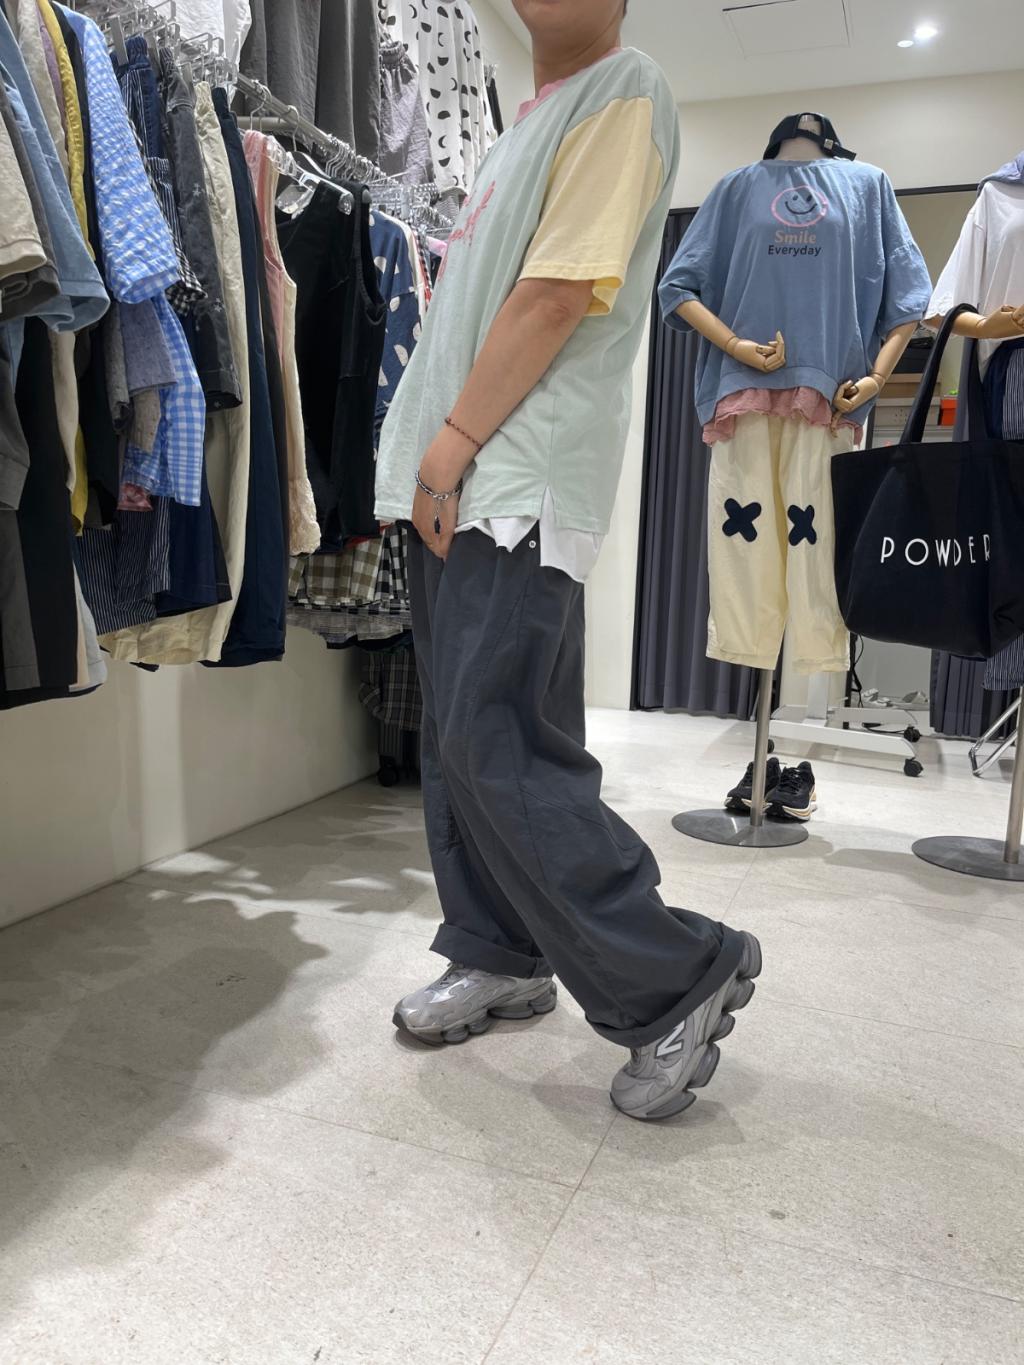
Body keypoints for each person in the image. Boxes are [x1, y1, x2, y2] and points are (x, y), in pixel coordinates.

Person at [374, 0, 761, 1123]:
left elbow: (553, 296)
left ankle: (673, 970)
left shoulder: (622, 87)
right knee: (461, 741)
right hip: (464, 475)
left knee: (494, 740)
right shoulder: (522, 125)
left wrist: (452, 445)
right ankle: (498, 949)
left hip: (509, 472)